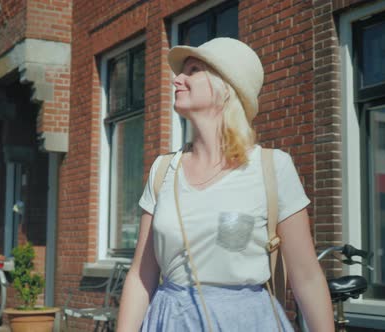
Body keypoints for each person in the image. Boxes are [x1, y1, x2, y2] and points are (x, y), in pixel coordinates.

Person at [116, 38, 334, 331]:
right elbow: (141, 277)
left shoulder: (272, 167)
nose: (177, 79)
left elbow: (307, 275)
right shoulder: (163, 170)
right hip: (170, 322)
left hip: (247, 322)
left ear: (226, 86)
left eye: (193, 70)